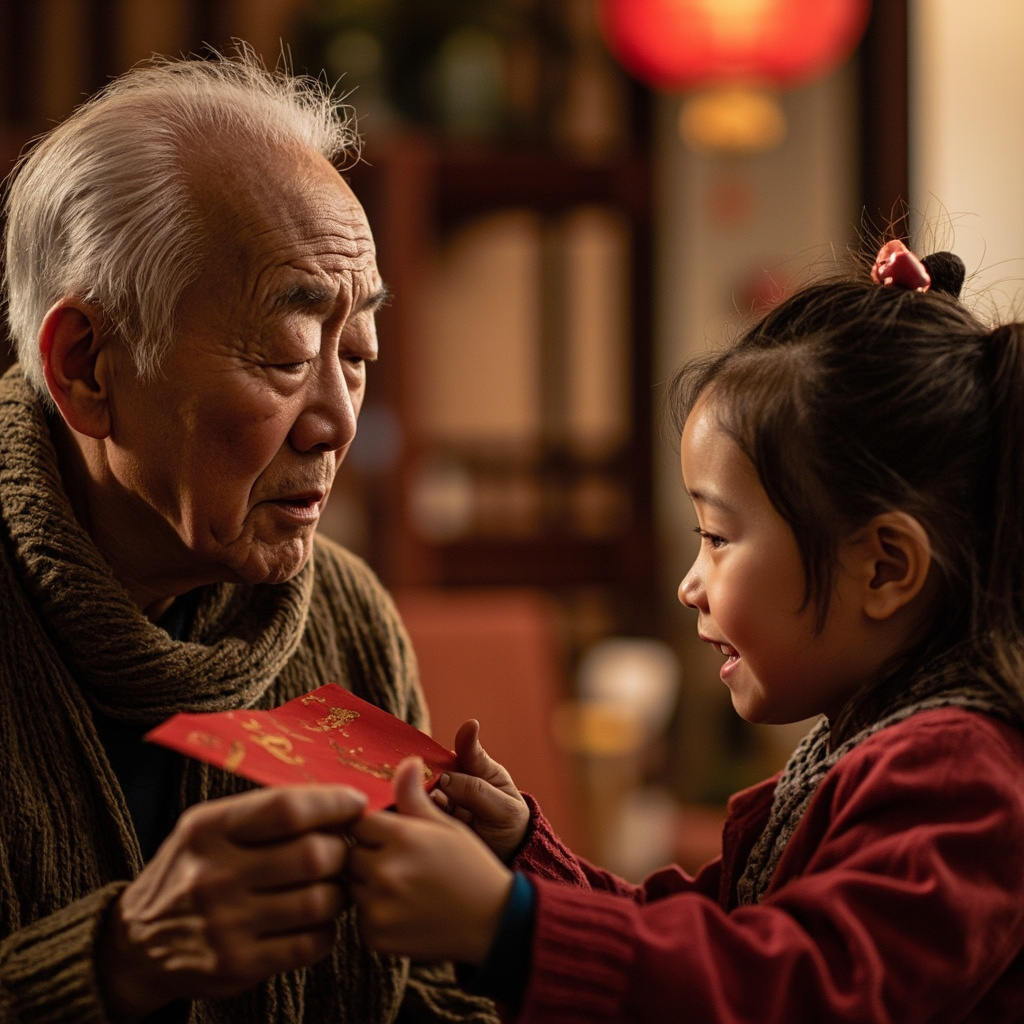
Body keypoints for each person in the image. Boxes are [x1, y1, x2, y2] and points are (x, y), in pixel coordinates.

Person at [346, 241, 1024, 1022]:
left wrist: (509, 927)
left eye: (718, 537)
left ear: (882, 569)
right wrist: (521, 858)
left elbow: (782, 990)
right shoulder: (867, 747)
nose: (689, 584)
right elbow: (700, 942)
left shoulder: (960, 776)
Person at [0, 46, 498, 1024]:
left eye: (355, 355)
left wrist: (517, 913)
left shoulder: (344, 617)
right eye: (285, 352)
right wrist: (120, 955)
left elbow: (415, 999)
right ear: (86, 367)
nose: (339, 420)